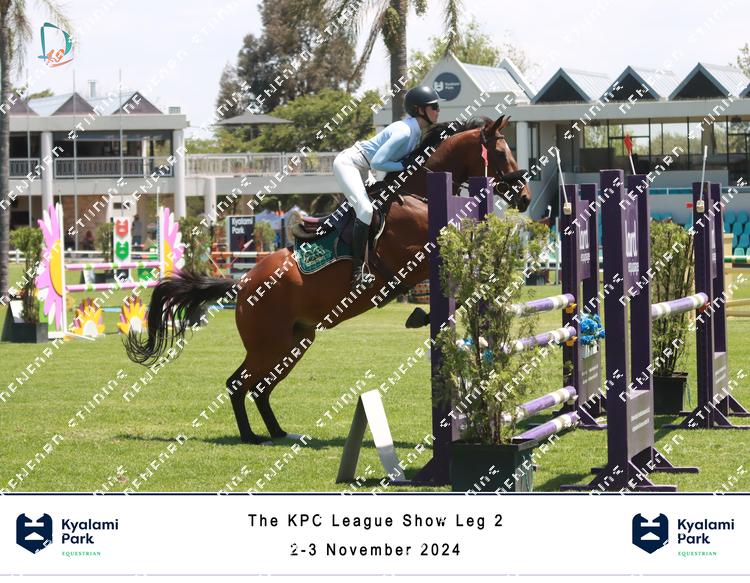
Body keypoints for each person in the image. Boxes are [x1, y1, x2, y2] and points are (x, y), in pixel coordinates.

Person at [333, 85, 441, 290]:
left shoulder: (415, 132)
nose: (438, 110)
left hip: (364, 168)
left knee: (379, 207)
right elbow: (378, 162)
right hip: (350, 164)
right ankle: (357, 271)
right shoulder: (405, 132)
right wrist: (404, 165)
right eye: (433, 106)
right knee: (365, 210)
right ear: (420, 110)